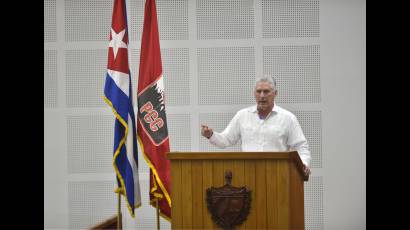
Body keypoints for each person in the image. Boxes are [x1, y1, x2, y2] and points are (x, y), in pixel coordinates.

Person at [201, 75, 311, 176]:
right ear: (254, 93)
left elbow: (301, 147)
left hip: (278, 176)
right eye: (259, 91)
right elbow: (226, 140)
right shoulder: (242, 116)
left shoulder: (288, 118)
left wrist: (304, 164)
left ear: (275, 93)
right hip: (248, 175)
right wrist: (210, 135)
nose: (262, 96)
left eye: (266, 91)